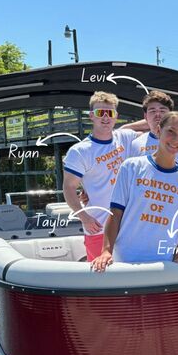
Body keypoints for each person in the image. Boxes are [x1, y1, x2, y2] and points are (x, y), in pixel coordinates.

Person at [91, 112, 178, 277]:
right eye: (171, 132)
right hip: (125, 262)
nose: (176, 140)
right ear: (159, 130)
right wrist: (106, 251)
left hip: (163, 266)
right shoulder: (131, 167)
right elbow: (115, 214)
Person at [62, 91, 137, 261]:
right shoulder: (80, 151)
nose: (105, 117)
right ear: (91, 116)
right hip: (98, 227)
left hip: (127, 228)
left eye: (109, 113)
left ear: (116, 116)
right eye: (99, 113)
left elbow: (152, 126)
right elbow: (68, 188)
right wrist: (84, 217)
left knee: (127, 280)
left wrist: (125, 127)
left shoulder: (124, 137)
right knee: (99, 279)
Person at [128, 90, 178, 172]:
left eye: (162, 111)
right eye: (153, 111)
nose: (158, 115)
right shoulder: (135, 144)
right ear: (145, 116)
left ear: (171, 114)